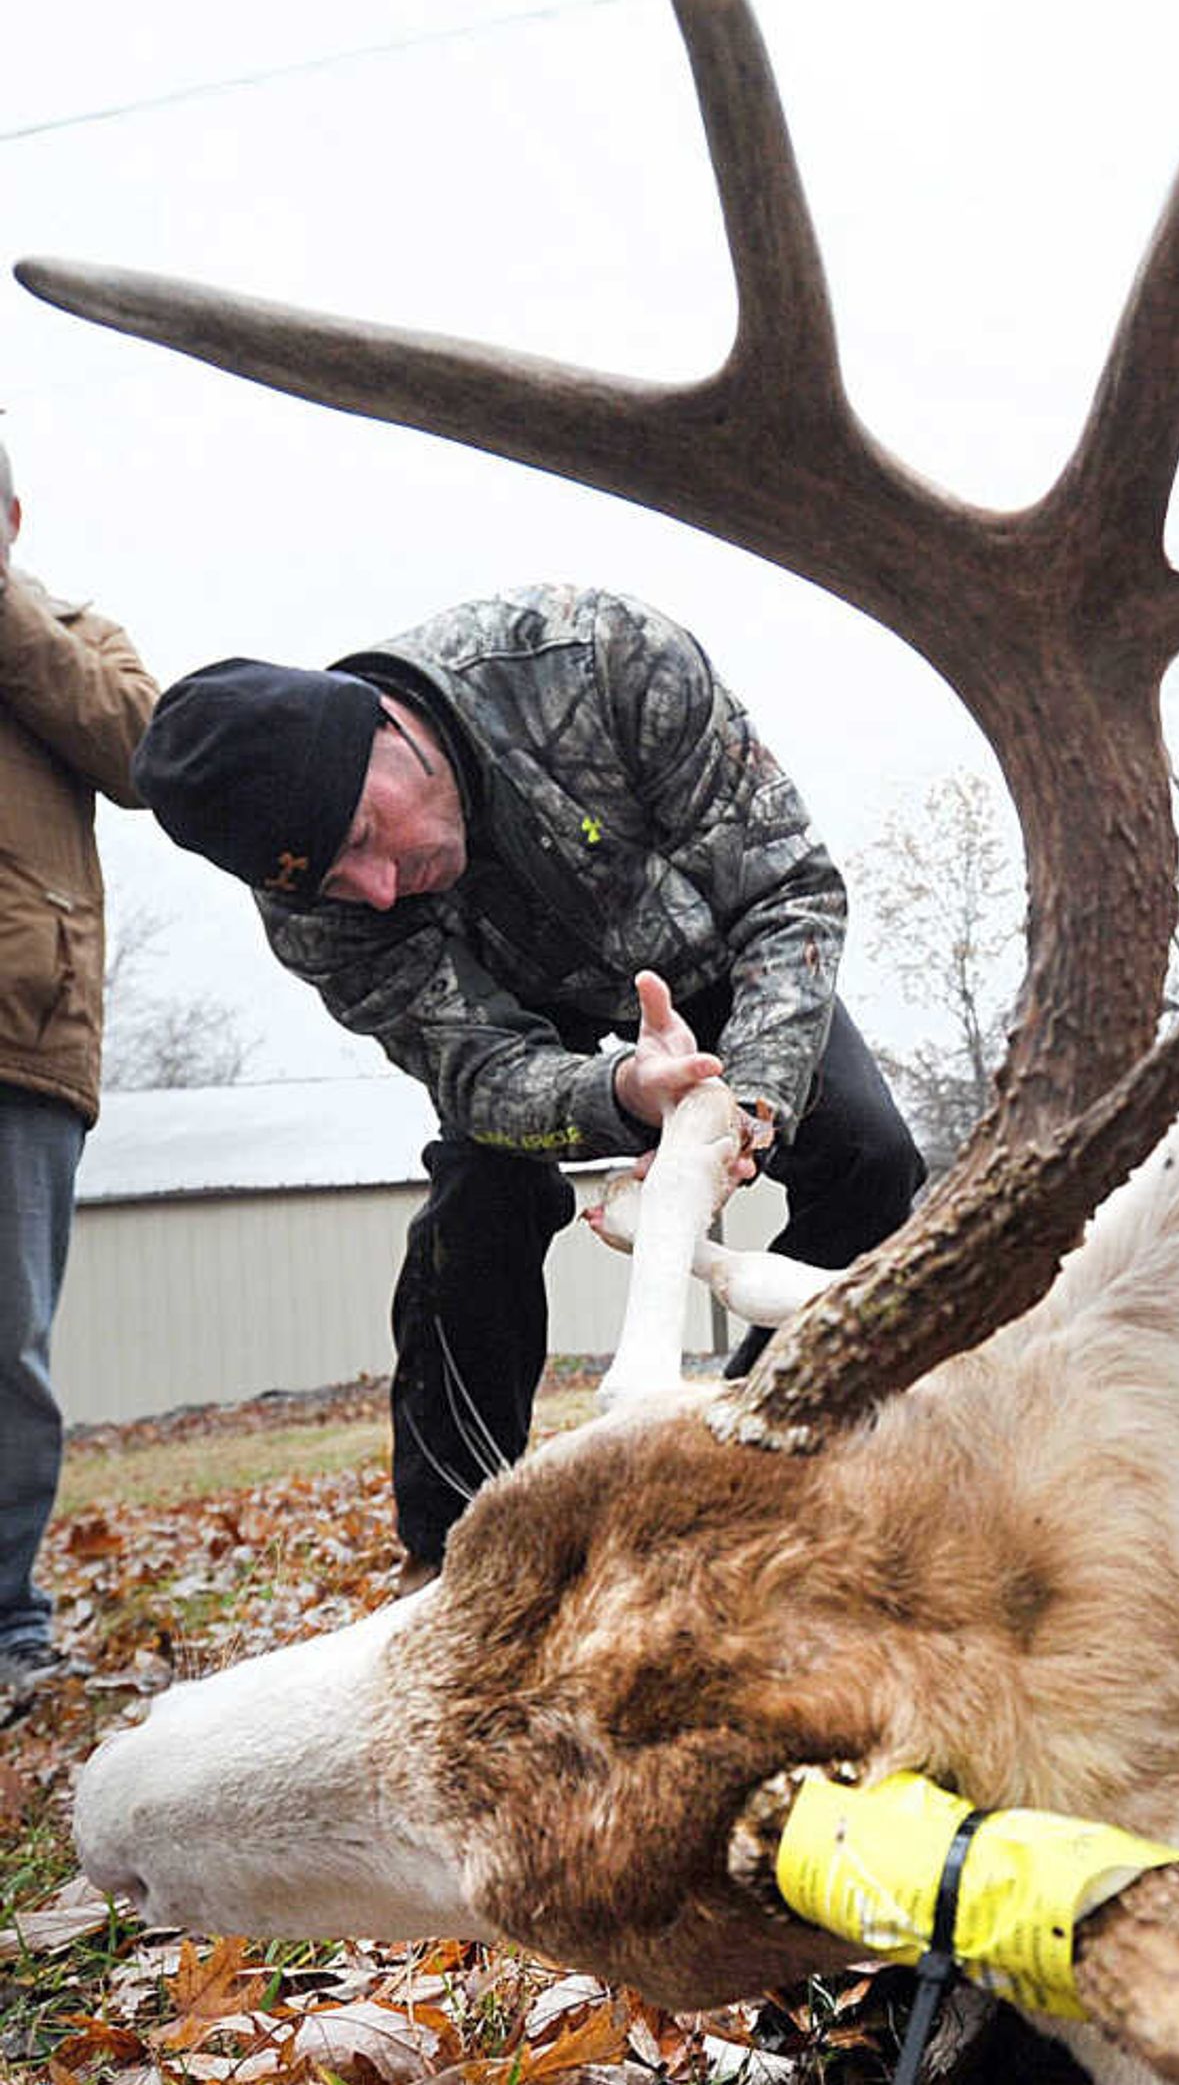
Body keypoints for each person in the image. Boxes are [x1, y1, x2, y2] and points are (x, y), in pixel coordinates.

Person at [132, 584, 924, 1584]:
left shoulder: (597, 660)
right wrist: (621, 1096)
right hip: (518, 1018)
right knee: (479, 1202)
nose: (377, 889)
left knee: (870, 1156)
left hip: (710, 952)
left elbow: (787, 893)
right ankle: (454, 1557)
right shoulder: (316, 913)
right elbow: (476, 1069)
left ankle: (752, 1455)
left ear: (386, 728)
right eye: (336, 881)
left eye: (367, 838)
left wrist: (748, 1106)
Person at [0, 439, 158, 1711]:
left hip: (19, 1035)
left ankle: (7, 1626)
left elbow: (140, 750)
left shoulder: (70, 629)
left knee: (7, 1348)